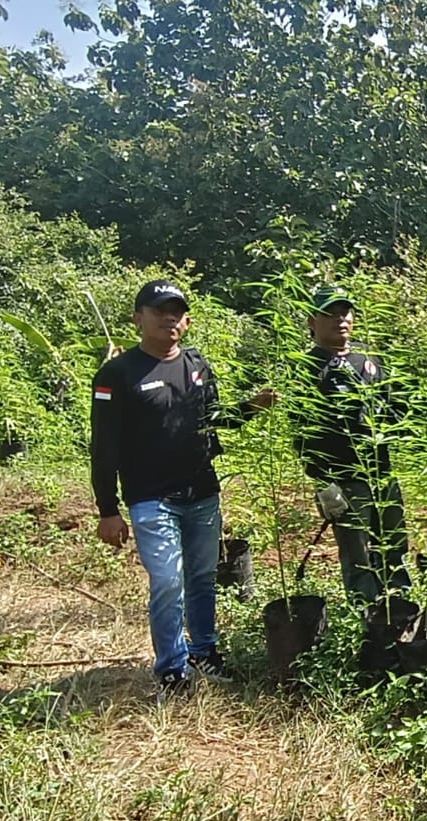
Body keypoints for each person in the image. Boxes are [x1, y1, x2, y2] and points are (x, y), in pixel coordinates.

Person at [91, 279, 273, 697]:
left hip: (202, 492)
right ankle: (172, 668)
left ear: (186, 321)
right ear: (139, 318)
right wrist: (107, 509)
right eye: (159, 311)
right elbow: (103, 446)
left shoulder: (196, 364)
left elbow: (216, 421)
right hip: (151, 497)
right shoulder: (117, 373)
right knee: (168, 581)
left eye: (176, 311)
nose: (169, 318)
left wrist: (253, 407)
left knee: (203, 576)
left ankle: (203, 651)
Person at [292, 285, 411, 608]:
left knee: (394, 548)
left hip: (381, 473)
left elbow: (396, 404)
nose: (339, 319)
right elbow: (302, 433)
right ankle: (368, 620)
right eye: (329, 313)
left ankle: (400, 611)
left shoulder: (369, 359)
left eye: (345, 312)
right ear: (312, 322)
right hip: (345, 478)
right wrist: (322, 483)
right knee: (358, 557)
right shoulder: (306, 368)